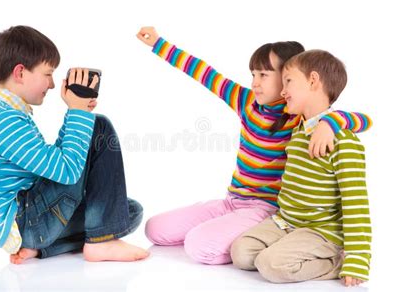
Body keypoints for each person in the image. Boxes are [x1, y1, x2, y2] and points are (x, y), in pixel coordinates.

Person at [136, 27, 371, 265]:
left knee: (198, 246)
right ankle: (221, 230)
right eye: (253, 74)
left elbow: (363, 120)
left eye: (264, 75)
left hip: (265, 210)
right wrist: (159, 43)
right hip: (231, 201)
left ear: (287, 77)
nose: (255, 83)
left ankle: (251, 242)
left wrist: (331, 122)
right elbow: (204, 73)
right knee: (155, 229)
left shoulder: (296, 114)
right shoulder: (246, 101)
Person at [0, 25, 149, 264]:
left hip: (30, 222)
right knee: (98, 127)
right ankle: (101, 242)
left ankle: (44, 249)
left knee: (128, 212)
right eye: (47, 74)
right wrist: (78, 115)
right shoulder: (4, 121)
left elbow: (53, 164)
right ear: (20, 73)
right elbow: (67, 171)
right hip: (26, 220)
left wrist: (76, 114)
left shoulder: (6, 113)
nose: (52, 85)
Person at [230, 50, 371, 287]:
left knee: (270, 266)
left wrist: (358, 258)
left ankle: (337, 260)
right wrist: (332, 120)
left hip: (322, 230)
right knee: (241, 253)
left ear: (313, 81)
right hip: (286, 222)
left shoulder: (343, 141)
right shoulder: (298, 130)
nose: (282, 91)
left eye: (288, 82)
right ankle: (292, 246)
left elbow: (355, 201)